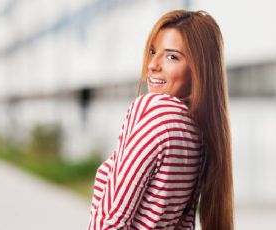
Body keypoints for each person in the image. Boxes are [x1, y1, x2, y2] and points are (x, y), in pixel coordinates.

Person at [88, 9, 233, 230]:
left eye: (171, 56)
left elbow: (111, 220)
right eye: (153, 52)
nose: (152, 65)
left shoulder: (153, 109)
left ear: (199, 70)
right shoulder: (200, 133)